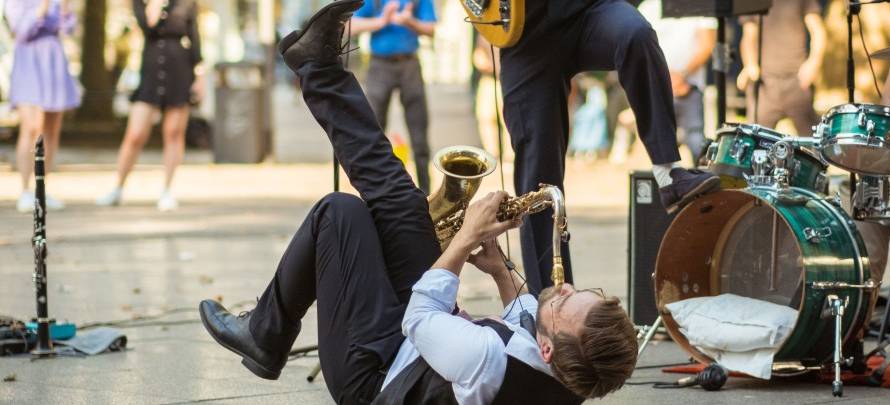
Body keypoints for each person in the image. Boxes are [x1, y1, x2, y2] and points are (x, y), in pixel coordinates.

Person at [198, 2, 638, 403]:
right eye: (582, 292)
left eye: (564, 303)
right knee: (403, 203)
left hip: (375, 373)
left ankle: (265, 333)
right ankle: (318, 67)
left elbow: (421, 318)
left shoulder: (486, 358)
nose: (563, 289)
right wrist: (501, 270)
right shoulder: (570, 369)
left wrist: (464, 240)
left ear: (549, 349)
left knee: (339, 213)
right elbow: (525, 319)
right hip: (419, 346)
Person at [497, 0, 720, 293]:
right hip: (525, 33)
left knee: (635, 33)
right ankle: (550, 307)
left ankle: (669, 174)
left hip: (588, 11)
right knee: (539, 183)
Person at [96, 0, 204, 211]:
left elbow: (194, 37)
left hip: (179, 72)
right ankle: (118, 187)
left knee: (173, 132)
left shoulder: (186, 3)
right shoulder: (141, 2)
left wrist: (199, 76)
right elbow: (147, 26)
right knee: (135, 134)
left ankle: (167, 190)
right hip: (151, 73)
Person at [349, 0, 436, 192]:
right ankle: (376, 191)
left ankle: (427, 194)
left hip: (410, 64)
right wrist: (382, 21)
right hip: (379, 65)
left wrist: (409, 21)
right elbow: (351, 25)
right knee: (374, 132)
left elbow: (430, 29)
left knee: (419, 135)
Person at [5, 0, 81, 213]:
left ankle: (42, 190)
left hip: (53, 63)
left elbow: (68, 29)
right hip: (29, 62)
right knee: (31, 128)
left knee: (51, 130)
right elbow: (20, 31)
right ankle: (25, 190)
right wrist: (44, 6)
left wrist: (65, 8)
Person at [638, 0, 716, 166]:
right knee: (661, 151)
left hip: (689, 87)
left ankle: (702, 188)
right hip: (656, 87)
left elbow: (707, 45)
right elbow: (639, 47)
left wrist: (681, 75)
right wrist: (663, 77)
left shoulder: (702, 5)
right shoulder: (648, 7)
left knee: (697, 144)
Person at [738, 0, 826, 135]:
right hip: (764, 85)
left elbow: (818, 30)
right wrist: (750, 65)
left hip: (797, 82)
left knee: (812, 143)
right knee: (756, 142)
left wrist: (813, 63)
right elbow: (748, 37)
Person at [473, 35, 512, 162]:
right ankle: (491, 155)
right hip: (489, 78)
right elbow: (478, 53)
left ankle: (510, 156)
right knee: (485, 117)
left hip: (507, 80)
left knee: (509, 120)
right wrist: (481, 62)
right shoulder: (485, 33)